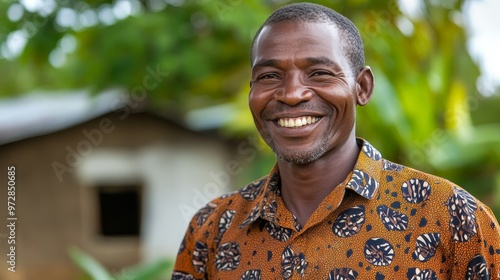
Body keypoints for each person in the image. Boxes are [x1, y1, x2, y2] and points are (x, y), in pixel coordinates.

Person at [172, 2, 500, 279]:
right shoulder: (212, 229)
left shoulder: (453, 218)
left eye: (319, 73)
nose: (291, 94)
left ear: (363, 87)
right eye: (270, 76)